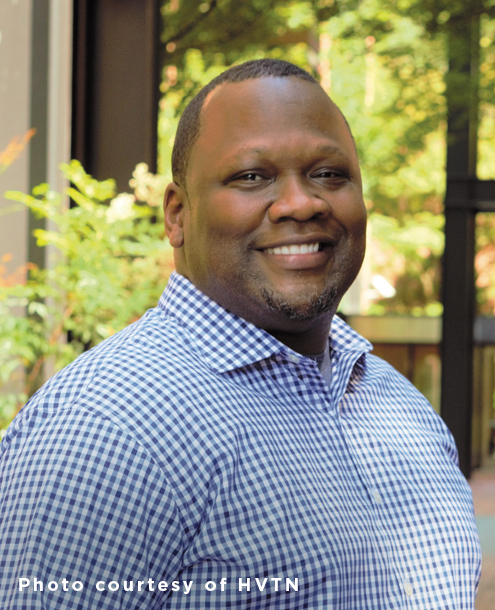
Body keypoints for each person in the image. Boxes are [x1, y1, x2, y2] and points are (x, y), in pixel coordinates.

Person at [0, 59, 481, 609]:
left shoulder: (399, 406)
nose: (302, 203)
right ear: (177, 215)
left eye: (329, 174)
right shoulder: (107, 430)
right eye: (252, 176)